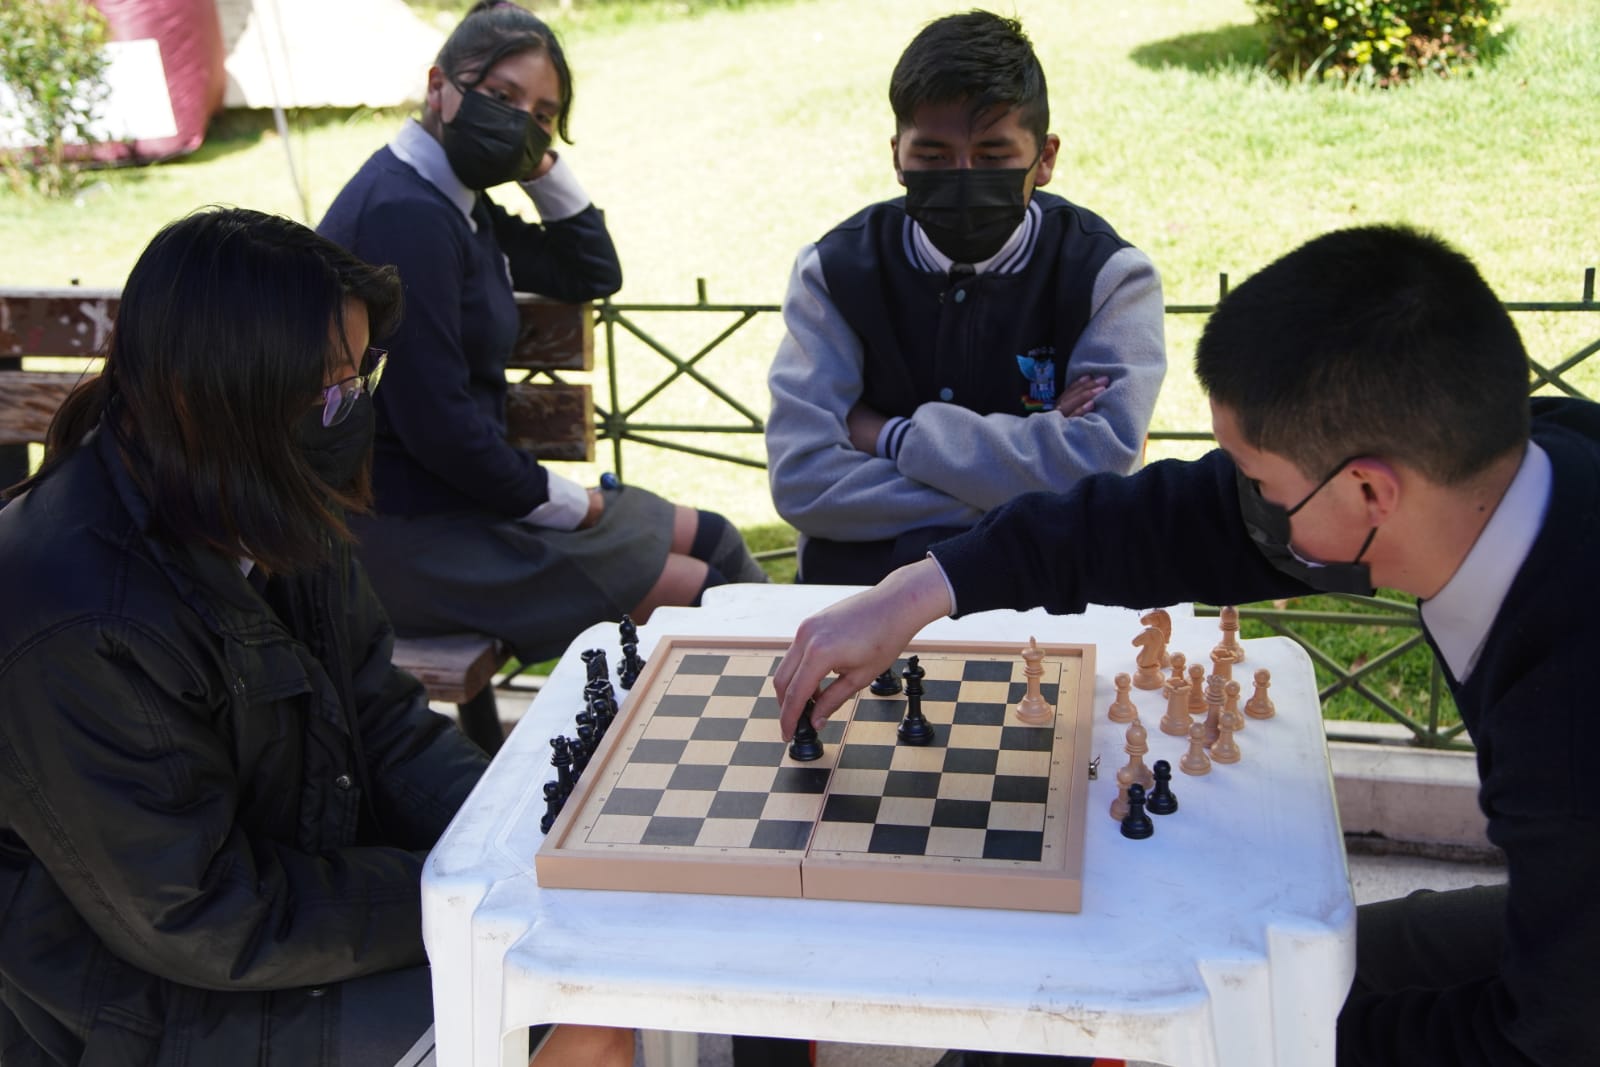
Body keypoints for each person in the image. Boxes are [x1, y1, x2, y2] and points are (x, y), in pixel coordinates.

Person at [774, 224, 1599, 1066]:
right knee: (1261, 978)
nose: (1244, 502)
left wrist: (1227, 1044)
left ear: (1368, 491)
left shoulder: (1569, 726)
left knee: (1209, 1014)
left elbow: (1544, 1039)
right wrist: (921, 589)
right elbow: (1168, 522)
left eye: (1261, 481)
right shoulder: (1528, 460)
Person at [0, 207, 633, 1067]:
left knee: (588, 975)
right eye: (330, 391)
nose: (352, 413)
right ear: (212, 393)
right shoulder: (78, 617)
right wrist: (461, 893)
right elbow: (204, 916)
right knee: (573, 1024)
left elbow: (385, 725)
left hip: (282, 926)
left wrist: (517, 843)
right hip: (137, 1004)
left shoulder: (257, 488)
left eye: (361, 378)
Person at [317, 1, 766, 726]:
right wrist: (569, 503)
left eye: (544, 114)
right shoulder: (405, 216)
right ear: (438, 87)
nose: (521, 122)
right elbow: (437, 427)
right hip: (400, 534)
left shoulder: (450, 198)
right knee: (700, 588)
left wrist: (538, 163)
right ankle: (749, 735)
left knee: (714, 535)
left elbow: (590, 270)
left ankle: (779, 715)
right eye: (501, 98)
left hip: (463, 503)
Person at [765, 9, 1166, 586]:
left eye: (992, 157)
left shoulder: (1109, 277)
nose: (962, 175)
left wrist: (889, 435)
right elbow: (804, 482)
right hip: (856, 591)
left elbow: (1102, 467)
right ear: (897, 156)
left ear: (1045, 158)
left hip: (1044, 597)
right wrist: (1030, 484)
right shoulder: (834, 272)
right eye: (933, 157)